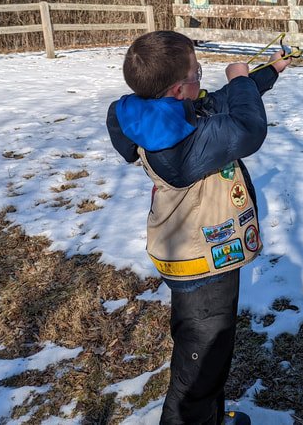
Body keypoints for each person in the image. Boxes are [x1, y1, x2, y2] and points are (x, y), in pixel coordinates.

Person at [106, 30, 291, 424]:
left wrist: (267, 73)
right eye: (197, 74)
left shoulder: (162, 117)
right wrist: (239, 79)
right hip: (203, 263)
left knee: (207, 355)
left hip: (190, 253)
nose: (201, 80)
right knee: (199, 369)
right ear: (177, 90)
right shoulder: (181, 144)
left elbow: (217, 103)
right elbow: (247, 127)